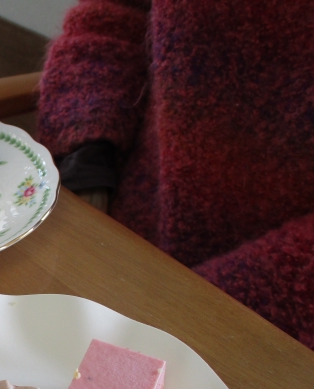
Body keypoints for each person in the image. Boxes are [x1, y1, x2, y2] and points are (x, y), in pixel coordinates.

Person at [37, 0, 314, 349]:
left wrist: (188, 308)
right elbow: (111, 16)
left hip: (269, 323)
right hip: (118, 231)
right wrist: (88, 163)